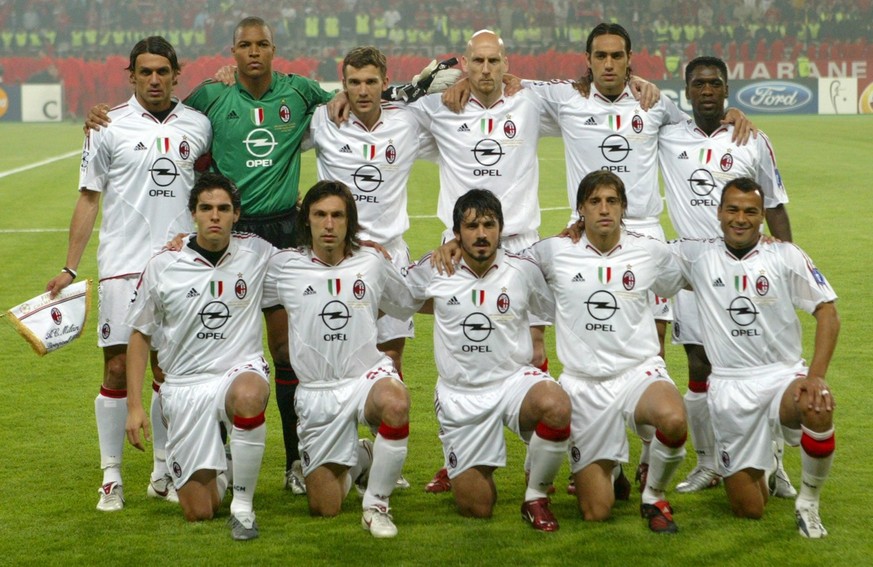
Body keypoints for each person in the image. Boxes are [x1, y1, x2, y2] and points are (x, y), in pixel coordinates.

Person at [86, 16, 336, 495]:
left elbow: (346, 101)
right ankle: (215, 459)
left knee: (286, 353)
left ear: (273, 47)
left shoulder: (301, 91)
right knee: (214, 349)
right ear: (234, 51)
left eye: (262, 44)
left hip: (283, 232)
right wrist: (101, 115)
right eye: (245, 45)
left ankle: (296, 460)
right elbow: (168, 118)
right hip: (229, 233)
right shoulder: (209, 95)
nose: (255, 52)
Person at [45, 36, 212, 512]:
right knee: (117, 368)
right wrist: (69, 267)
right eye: (145, 72)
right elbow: (88, 197)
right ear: (131, 76)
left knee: (169, 371)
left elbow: (214, 185)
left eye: (163, 71)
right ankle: (111, 475)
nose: (155, 79)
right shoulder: (106, 125)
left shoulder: (199, 125)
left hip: (180, 267)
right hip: (122, 266)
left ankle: (164, 469)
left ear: (177, 73)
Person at [406, 29, 559, 494]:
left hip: (518, 243)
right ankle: (456, 456)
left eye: (495, 62)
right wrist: (422, 85)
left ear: (505, 63)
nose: (487, 70)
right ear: (465, 65)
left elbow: (584, 97)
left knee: (532, 351)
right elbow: (382, 111)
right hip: (458, 244)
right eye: (479, 62)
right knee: (458, 348)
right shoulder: (440, 108)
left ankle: (539, 466)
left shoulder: (528, 100)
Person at [658, 56, 795, 495]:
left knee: (757, 365)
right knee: (699, 365)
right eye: (699, 84)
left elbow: (773, 203)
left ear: (727, 89)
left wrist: (788, 262)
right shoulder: (668, 135)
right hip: (693, 265)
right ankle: (709, 462)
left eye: (715, 84)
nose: (707, 91)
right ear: (687, 90)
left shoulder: (752, 139)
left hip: (746, 264)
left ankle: (773, 460)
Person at [672, 178, 838, 539]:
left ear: (762, 215)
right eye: (732, 209)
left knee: (819, 405)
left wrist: (815, 377)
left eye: (750, 211)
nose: (740, 218)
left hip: (781, 376)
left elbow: (827, 312)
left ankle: (808, 503)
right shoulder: (696, 256)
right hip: (731, 387)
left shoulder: (785, 255)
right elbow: (634, 252)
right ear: (718, 213)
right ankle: (769, 457)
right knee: (750, 510)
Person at [527, 171, 688, 533]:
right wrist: (454, 244)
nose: (604, 209)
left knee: (674, 419)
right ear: (580, 209)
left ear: (623, 208)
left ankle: (655, 497)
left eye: (612, 201)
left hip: (638, 373)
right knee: (597, 512)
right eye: (595, 201)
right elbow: (500, 262)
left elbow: (700, 270)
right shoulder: (553, 251)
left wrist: (765, 246)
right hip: (584, 386)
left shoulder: (648, 251)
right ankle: (611, 470)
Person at [404, 189, 571, 531]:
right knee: (477, 507)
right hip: (461, 396)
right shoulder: (435, 268)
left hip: (512, 382)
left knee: (555, 405)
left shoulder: (523, 270)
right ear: (456, 234)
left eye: (489, 225)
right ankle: (459, 461)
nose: (481, 234)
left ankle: (535, 496)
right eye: (472, 226)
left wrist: (536, 340)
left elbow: (544, 306)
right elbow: (396, 298)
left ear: (500, 229)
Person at [263, 181, 416, 538]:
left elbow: (410, 297)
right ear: (307, 221)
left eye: (337, 215)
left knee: (395, 402)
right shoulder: (283, 267)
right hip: (317, 392)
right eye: (320, 215)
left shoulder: (372, 261)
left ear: (350, 221)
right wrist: (181, 244)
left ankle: (376, 506)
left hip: (365, 377)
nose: (328, 224)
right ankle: (364, 455)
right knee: (324, 507)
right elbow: (232, 267)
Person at [125, 173, 272, 540]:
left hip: (238, 371)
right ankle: (229, 461)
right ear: (193, 214)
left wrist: (362, 243)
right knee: (198, 510)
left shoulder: (257, 253)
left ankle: (243, 507)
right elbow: (140, 335)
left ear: (237, 215)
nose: (215, 216)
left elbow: (315, 252)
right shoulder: (163, 264)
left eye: (224, 209)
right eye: (206, 208)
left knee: (249, 396)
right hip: (185, 386)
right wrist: (134, 407)